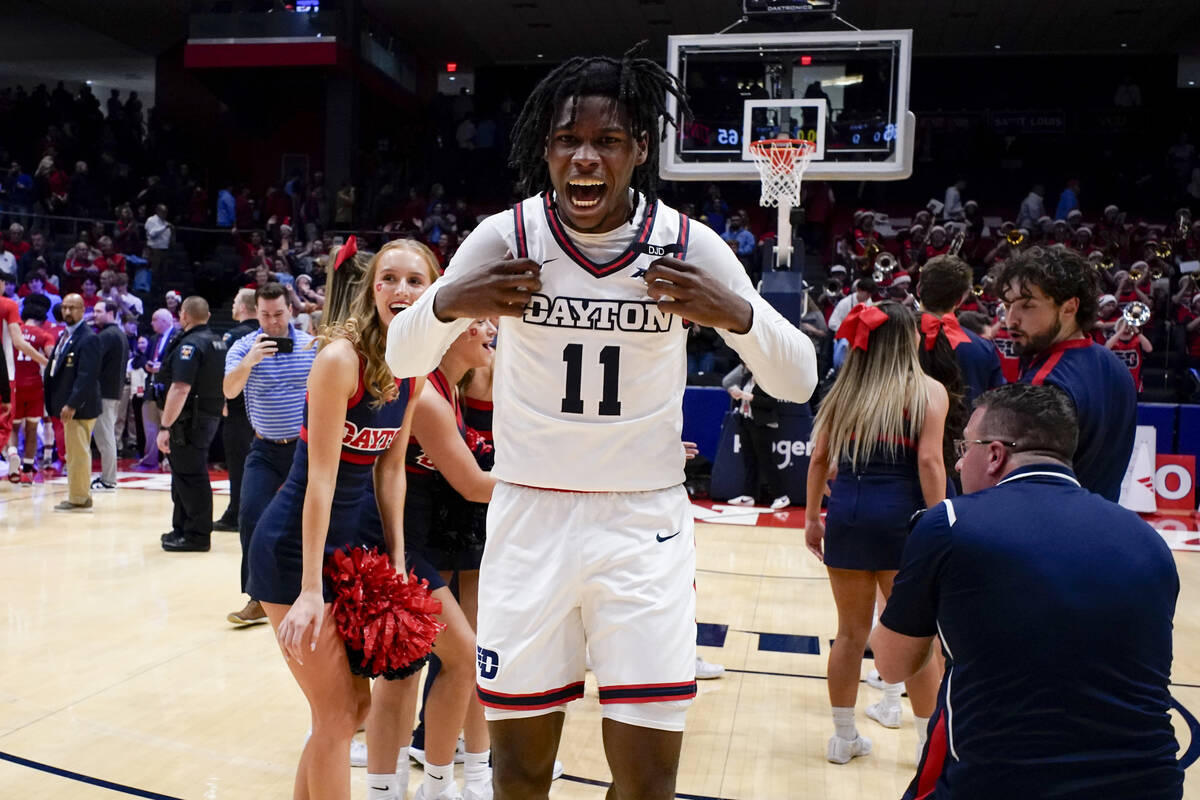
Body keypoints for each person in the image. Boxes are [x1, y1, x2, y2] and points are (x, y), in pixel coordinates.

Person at [385, 51, 817, 800]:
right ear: (545, 150)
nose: (585, 155)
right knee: (520, 770)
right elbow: (401, 354)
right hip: (529, 518)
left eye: (608, 140)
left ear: (639, 150)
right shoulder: (508, 234)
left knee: (648, 780)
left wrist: (735, 315)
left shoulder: (688, 245)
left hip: (642, 523)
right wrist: (456, 298)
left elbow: (798, 376)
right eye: (567, 139)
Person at [872, 383, 1183, 800]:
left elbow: (891, 667)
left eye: (965, 449)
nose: (960, 464)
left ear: (996, 454)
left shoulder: (949, 522)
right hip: (1150, 785)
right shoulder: (1149, 542)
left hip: (1002, 784)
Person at [246, 241, 423, 800]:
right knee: (339, 713)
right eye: (388, 279)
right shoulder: (339, 360)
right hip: (293, 550)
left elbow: (391, 470)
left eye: (414, 281)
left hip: (350, 549)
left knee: (353, 708)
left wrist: (394, 562)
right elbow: (319, 479)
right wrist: (309, 589)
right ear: (371, 289)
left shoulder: (413, 368)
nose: (400, 290)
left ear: (432, 290)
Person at [804, 302, 945, 765]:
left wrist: (811, 518)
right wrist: (940, 518)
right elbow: (928, 462)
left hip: (846, 513)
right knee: (917, 637)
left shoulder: (844, 390)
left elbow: (819, 460)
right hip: (901, 519)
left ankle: (843, 739)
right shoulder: (928, 391)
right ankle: (927, 744)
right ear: (909, 340)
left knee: (848, 634)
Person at [997, 246, 1135, 501]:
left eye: (1027, 306)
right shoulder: (1116, 367)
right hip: (1100, 525)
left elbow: (1026, 490)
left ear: (1070, 307)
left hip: (1048, 531)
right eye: (1006, 306)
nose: (1010, 320)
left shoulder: (1044, 383)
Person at [222, 283, 316, 622]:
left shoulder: (311, 346)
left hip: (304, 448)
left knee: (308, 520)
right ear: (255, 313)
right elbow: (230, 391)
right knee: (249, 515)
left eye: (278, 314)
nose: (273, 323)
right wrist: (249, 362)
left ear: (291, 310)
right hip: (263, 447)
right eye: (265, 315)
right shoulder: (243, 346)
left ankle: (310, 591)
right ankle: (257, 598)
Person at [157, 296, 227, 552]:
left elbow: (180, 388)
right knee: (183, 476)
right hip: (206, 416)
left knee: (190, 476)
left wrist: (165, 426)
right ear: (207, 316)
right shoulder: (217, 342)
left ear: (184, 315)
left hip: (189, 420)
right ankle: (182, 528)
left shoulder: (191, 345)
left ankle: (197, 535)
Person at [917, 255, 1004, 410]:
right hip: (963, 432)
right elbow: (996, 404)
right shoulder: (983, 349)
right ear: (960, 300)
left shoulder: (891, 337)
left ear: (918, 289)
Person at [44, 293, 101, 511]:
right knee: (74, 452)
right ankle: (78, 494)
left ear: (83, 310)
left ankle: (79, 498)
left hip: (80, 407)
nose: (67, 312)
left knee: (78, 453)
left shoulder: (88, 338)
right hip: (67, 403)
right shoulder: (65, 335)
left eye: (73, 308)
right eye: (65, 307)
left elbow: (87, 376)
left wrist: (72, 403)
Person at [214, 288, 258, 534]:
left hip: (238, 409)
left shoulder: (234, 337)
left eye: (234, 302)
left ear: (242, 307)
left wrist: (220, 399)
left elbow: (221, 372)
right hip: (265, 411)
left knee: (239, 463)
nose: (232, 306)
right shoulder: (267, 335)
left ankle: (235, 513)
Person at [10, 296, 54, 483]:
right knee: (32, 429)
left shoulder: (13, 333)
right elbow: (52, 358)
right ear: (43, 320)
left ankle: (12, 455)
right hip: (35, 387)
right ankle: (28, 471)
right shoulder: (45, 335)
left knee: (12, 427)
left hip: (14, 386)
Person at [90, 300, 129, 492]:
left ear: (111, 313)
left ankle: (108, 479)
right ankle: (108, 476)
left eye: (98, 311)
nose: (94, 315)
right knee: (107, 436)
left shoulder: (106, 335)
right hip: (114, 391)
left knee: (105, 437)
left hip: (105, 392)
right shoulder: (120, 334)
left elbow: (92, 362)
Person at [136, 309, 179, 470]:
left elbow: (177, 361)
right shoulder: (153, 339)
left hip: (167, 388)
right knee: (149, 424)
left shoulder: (177, 337)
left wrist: (162, 368)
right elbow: (144, 357)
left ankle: (170, 459)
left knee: (168, 424)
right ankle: (150, 459)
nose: (151, 323)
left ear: (165, 321)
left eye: (155, 320)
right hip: (151, 386)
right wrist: (147, 364)